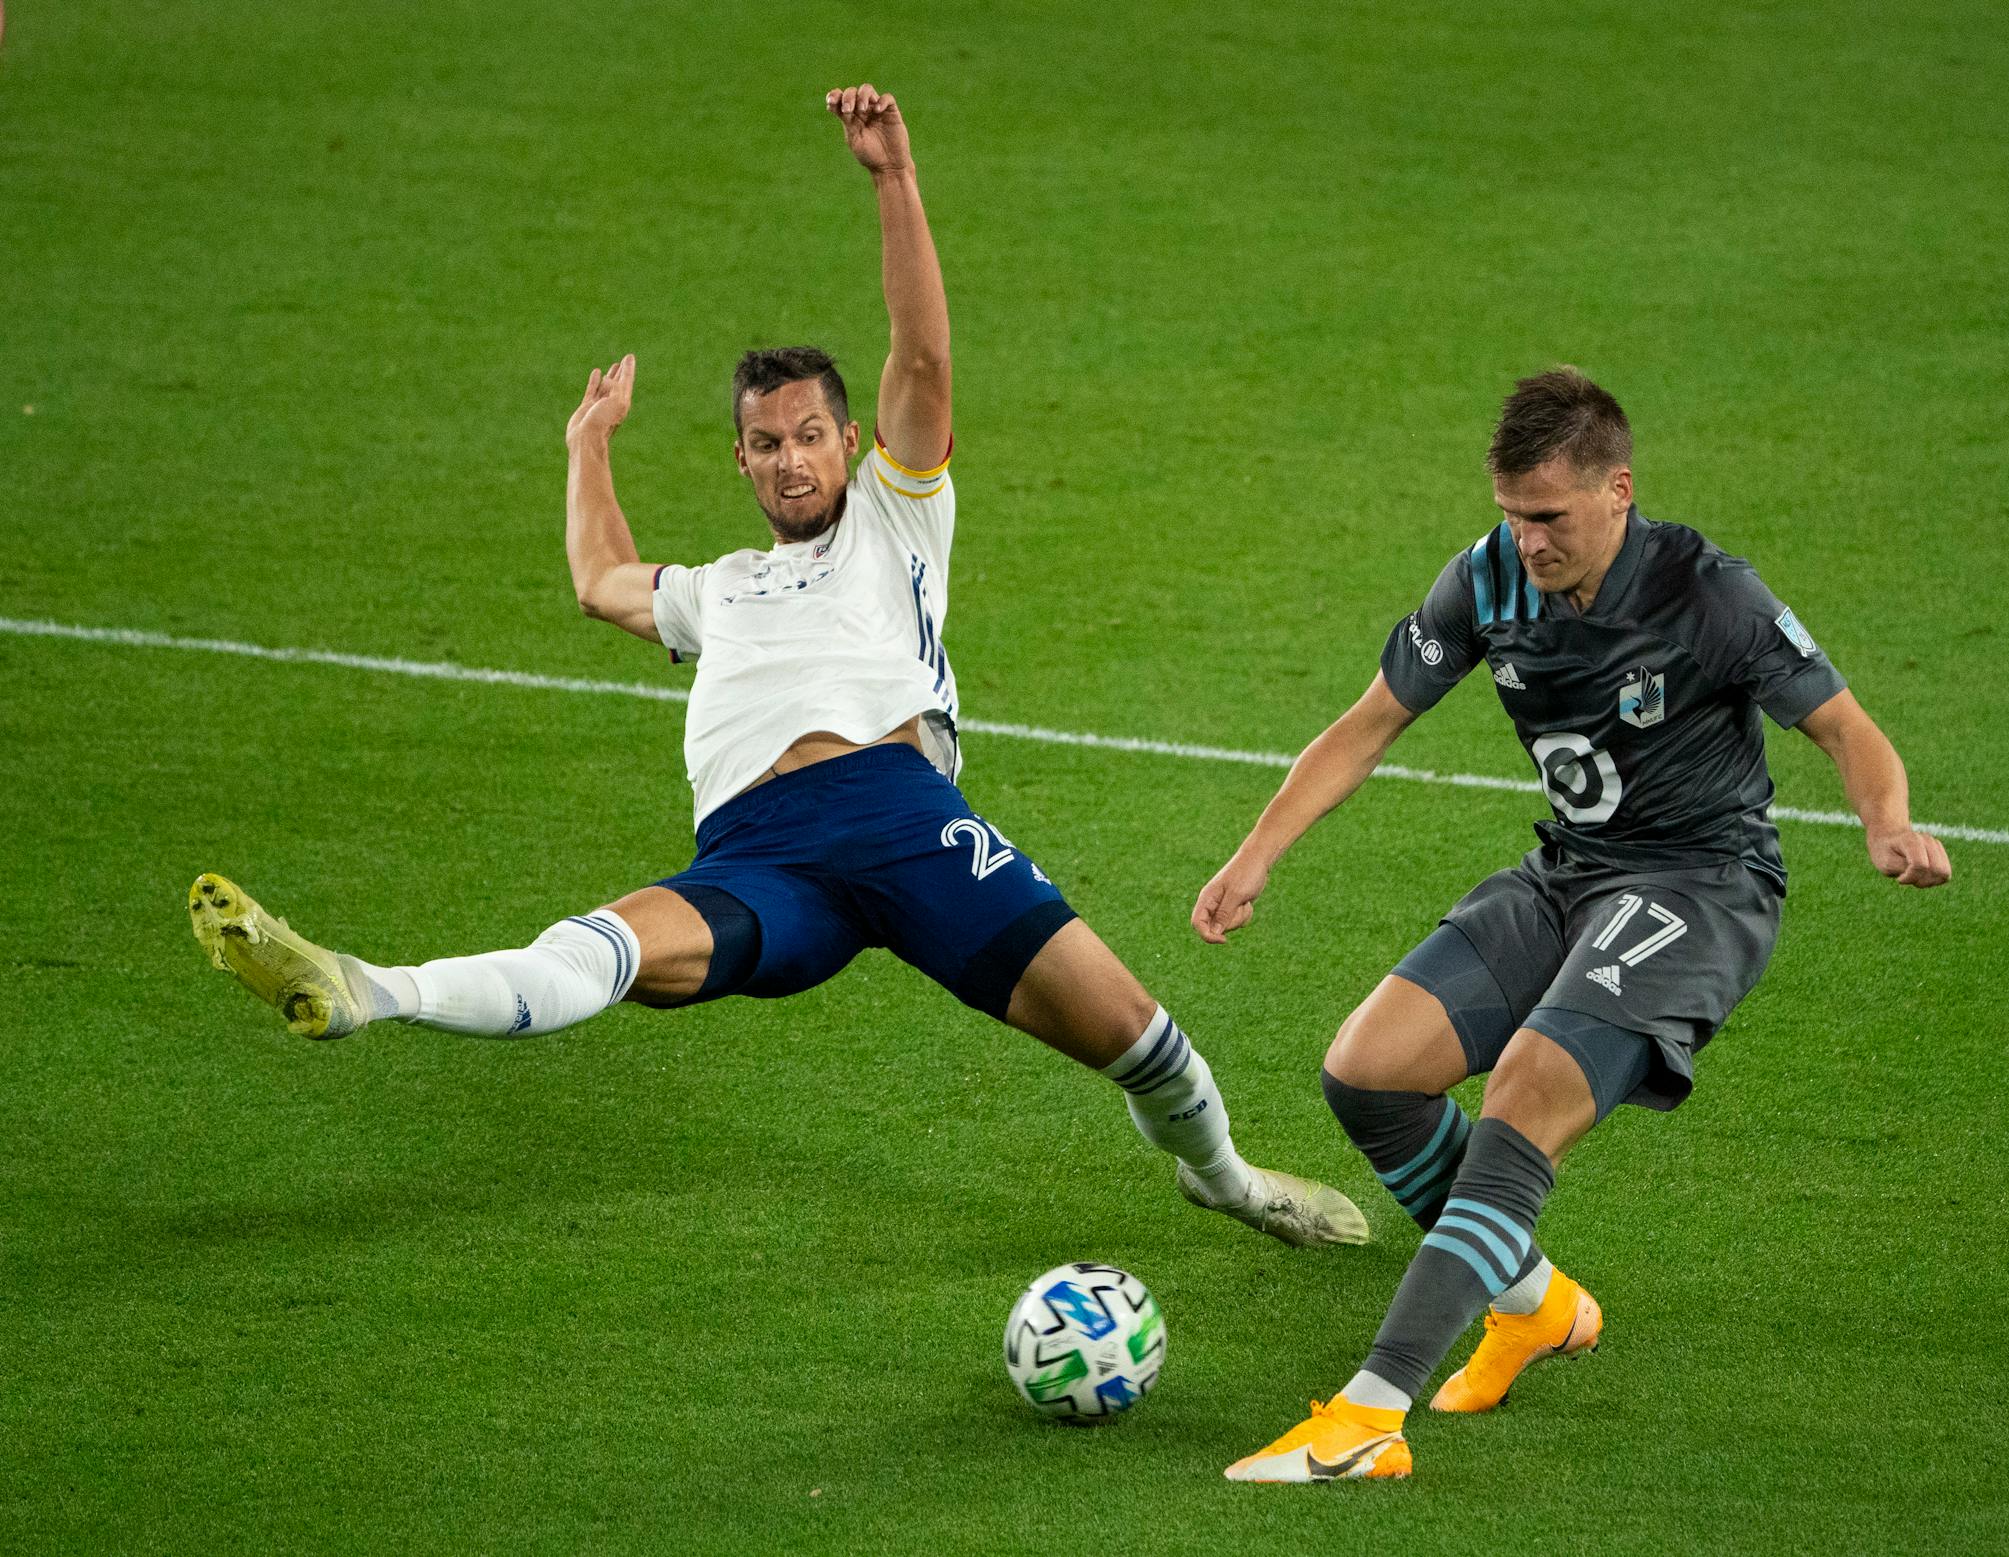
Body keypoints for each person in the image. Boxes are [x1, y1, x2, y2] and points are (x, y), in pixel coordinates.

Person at [188, 84, 1366, 1253]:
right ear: (741, 461)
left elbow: (925, 357)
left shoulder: (897, 520)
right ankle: (365, 987)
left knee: (1137, 1035)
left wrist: (894, 181)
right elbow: (601, 581)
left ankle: (1225, 1180)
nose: (792, 460)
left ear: (847, 441)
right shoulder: (719, 590)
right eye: (767, 444)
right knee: (599, 953)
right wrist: (585, 444)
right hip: (755, 853)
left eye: (810, 435)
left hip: (902, 814)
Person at [1193, 368, 1951, 1481]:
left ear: (1617, 493)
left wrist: (1886, 821)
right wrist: (1257, 853)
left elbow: (1845, 726)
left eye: (1548, 517)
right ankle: (1534, 1304)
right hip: (1572, 874)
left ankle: (1367, 1419)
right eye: (1511, 515)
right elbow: (1369, 723)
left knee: (1523, 1097)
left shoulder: (1710, 595)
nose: (1527, 542)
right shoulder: (1488, 579)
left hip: (1699, 889)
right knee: (1368, 1073)